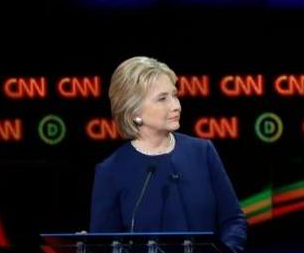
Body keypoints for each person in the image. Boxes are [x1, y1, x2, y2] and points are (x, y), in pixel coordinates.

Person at [90, 56, 247, 253]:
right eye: (162, 98)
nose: (176, 105)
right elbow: (104, 244)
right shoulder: (111, 170)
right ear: (133, 111)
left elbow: (233, 220)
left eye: (175, 95)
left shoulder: (202, 152)